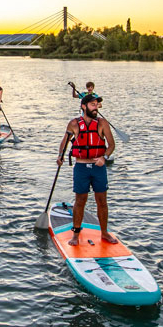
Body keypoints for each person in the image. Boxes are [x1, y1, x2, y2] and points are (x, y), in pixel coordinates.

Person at [56, 93, 117, 246]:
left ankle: (104, 233)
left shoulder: (102, 123)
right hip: (81, 167)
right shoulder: (74, 124)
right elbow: (65, 142)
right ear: (84, 106)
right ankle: (76, 234)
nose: (96, 107)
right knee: (80, 200)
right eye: (92, 105)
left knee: (102, 201)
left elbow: (111, 145)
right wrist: (60, 156)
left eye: (97, 105)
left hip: (98, 168)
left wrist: (104, 157)